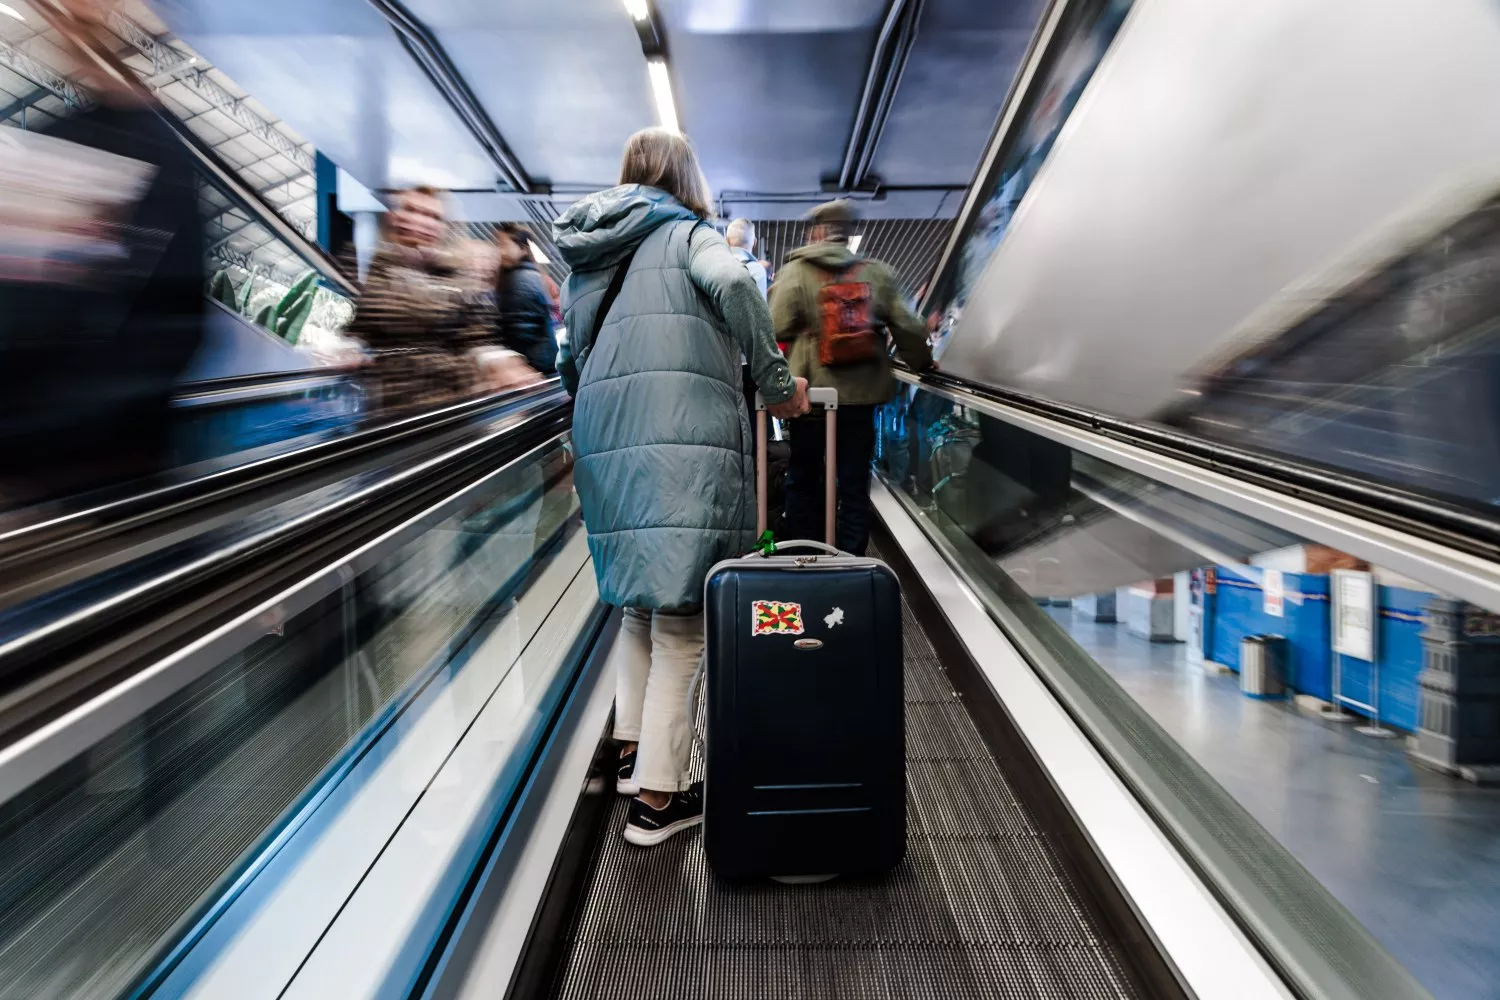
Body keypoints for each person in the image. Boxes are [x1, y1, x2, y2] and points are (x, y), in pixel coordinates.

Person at [553, 127, 809, 847]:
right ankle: (659, 802)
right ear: (685, 176)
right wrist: (775, 382)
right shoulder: (689, 233)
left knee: (639, 604)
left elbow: (570, 349)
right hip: (682, 440)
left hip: (606, 433)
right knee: (685, 626)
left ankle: (634, 753)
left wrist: (597, 397)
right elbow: (733, 284)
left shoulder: (593, 250)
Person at [0, 0, 205, 507]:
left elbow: (174, 319)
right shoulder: (59, 140)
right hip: (49, 456)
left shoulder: (163, 156)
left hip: (106, 464)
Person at [771, 198, 934, 555]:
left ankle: (805, 555)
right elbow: (908, 327)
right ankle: (851, 561)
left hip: (811, 397)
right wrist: (921, 364)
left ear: (816, 232)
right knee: (854, 482)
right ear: (848, 235)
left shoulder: (797, 271)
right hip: (861, 398)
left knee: (803, 476)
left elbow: (775, 324)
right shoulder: (877, 273)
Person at [347, 187, 529, 413]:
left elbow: (476, 335)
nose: (419, 220)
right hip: (388, 404)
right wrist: (348, 346)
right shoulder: (380, 267)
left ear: (443, 226)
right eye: (411, 209)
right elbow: (363, 325)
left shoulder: (460, 273)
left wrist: (500, 361)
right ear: (393, 216)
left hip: (448, 403)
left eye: (432, 216)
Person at [493, 222, 559, 374]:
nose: (499, 251)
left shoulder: (520, 279)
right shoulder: (530, 274)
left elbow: (521, 334)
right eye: (497, 244)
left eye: (503, 244)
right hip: (543, 362)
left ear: (523, 248)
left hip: (533, 367)